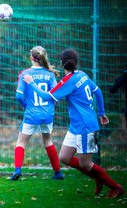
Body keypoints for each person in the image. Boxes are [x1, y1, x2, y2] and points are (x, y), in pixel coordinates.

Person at [23, 48, 124, 198]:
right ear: (76, 62)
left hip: (86, 127)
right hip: (76, 126)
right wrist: (101, 112)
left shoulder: (67, 82)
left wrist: (31, 83)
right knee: (64, 157)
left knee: (86, 164)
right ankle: (98, 177)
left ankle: (115, 187)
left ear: (62, 63)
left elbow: (46, 97)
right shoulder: (82, 75)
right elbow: (97, 91)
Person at [10, 46, 64, 181]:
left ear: (31, 57)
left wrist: (26, 106)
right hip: (47, 114)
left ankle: (17, 170)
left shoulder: (25, 74)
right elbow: (55, 96)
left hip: (31, 114)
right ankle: (58, 172)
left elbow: (18, 96)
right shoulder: (50, 74)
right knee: (48, 141)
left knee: (21, 143)